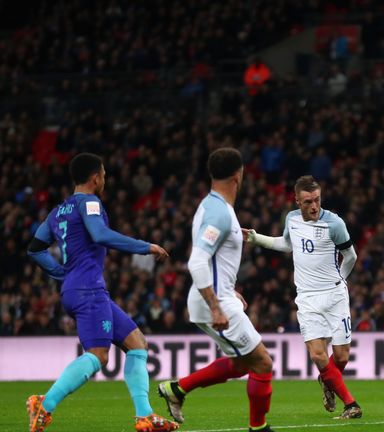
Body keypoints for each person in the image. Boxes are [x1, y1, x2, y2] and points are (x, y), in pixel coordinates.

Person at [26, 153, 178, 432]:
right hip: (88, 289)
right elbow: (100, 235)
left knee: (137, 343)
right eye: (104, 174)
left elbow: (34, 249)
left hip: (80, 288)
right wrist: (145, 246)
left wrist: (62, 273)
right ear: (95, 177)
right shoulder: (90, 202)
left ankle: (145, 416)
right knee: (98, 355)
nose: (105, 179)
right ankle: (44, 404)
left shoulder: (56, 212)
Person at [157, 148, 274, 432]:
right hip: (213, 302)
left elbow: (211, 260)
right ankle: (258, 428)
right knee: (262, 363)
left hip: (218, 296)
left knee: (240, 365)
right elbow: (196, 261)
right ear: (239, 174)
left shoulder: (212, 206)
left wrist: (227, 290)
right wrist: (216, 305)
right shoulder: (219, 214)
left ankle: (177, 388)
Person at [244, 175, 362, 419]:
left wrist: (341, 279)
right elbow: (287, 244)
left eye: (317, 200)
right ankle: (351, 405)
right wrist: (257, 238)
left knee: (340, 357)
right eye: (308, 201)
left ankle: (326, 380)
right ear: (297, 201)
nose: (314, 206)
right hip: (307, 297)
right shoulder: (292, 219)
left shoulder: (335, 224)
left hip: (335, 295)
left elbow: (351, 256)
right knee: (318, 354)